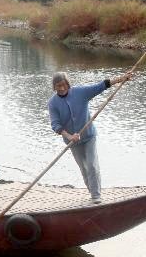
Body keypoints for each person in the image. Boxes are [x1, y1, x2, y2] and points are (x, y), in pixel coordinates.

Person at [47, 70, 132, 204]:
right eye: (58, 86)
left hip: (89, 136)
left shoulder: (80, 92)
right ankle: (92, 191)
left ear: (68, 84)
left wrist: (122, 78)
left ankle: (96, 196)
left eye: (64, 85)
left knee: (92, 165)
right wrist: (69, 136)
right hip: (72, 142)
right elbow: (55, 124)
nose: (62, 88)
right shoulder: (52, 103)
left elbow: (101, 86)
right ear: (54, 87)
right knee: (84, 169)